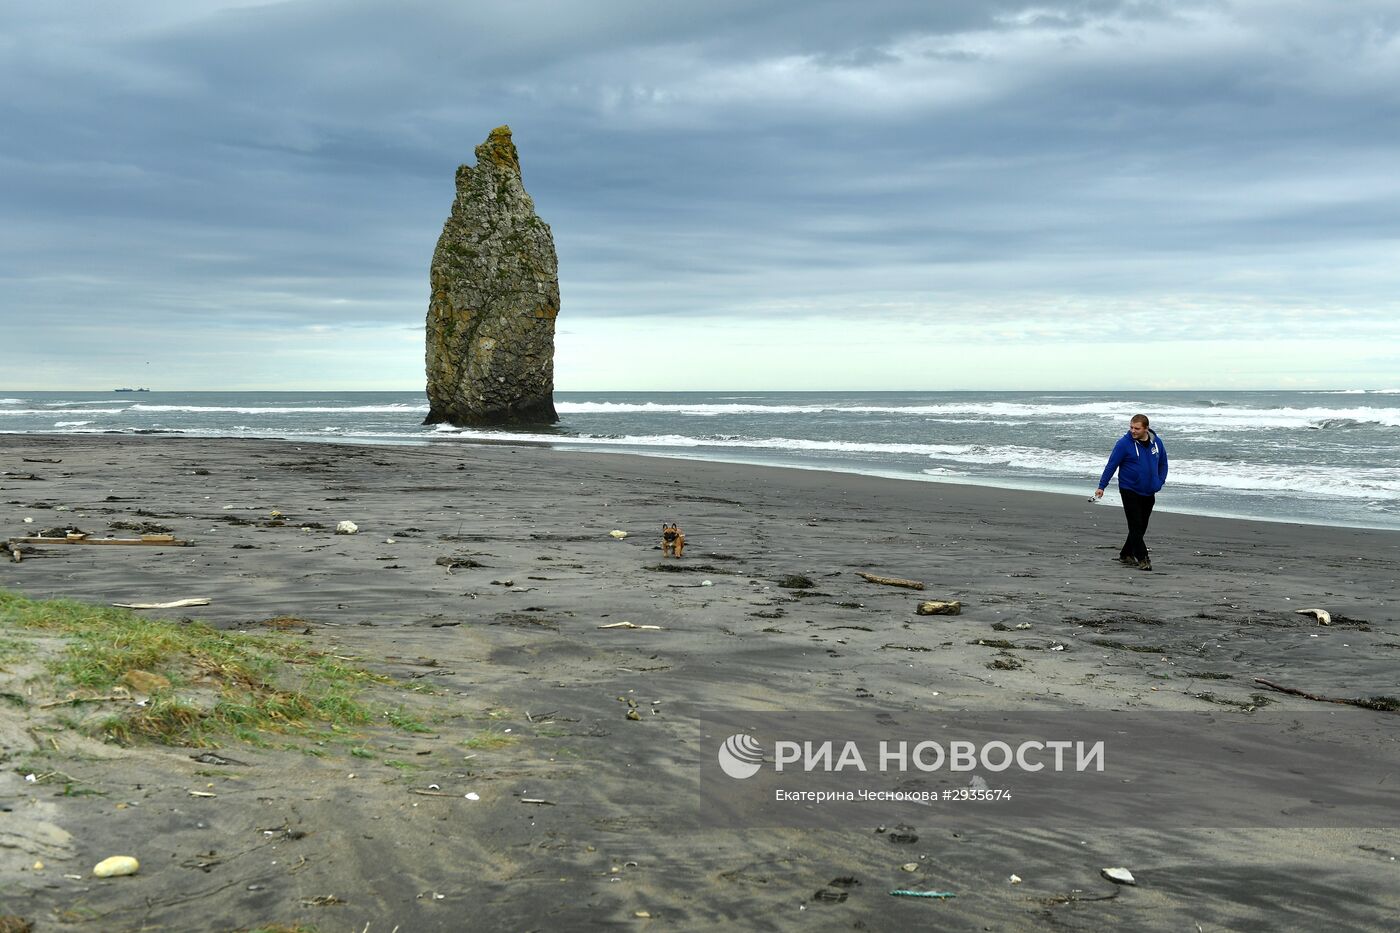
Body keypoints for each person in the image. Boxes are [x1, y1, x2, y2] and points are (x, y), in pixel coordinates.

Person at [1094, 414, 1168, 571]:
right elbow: (1111, 465)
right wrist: (1102, 486)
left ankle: (1126, 553)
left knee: (1141, 527)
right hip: (1129, 489)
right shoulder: (1124, 444)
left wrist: (1159, 482)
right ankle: (1143, 558)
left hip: (1149, 490)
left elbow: (1163, 463)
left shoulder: (1157, 442)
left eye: (1137, 428)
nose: (1133, 431)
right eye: (1131, 427)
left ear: (1146, 428)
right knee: (1135, 525)